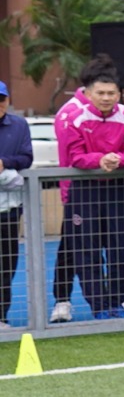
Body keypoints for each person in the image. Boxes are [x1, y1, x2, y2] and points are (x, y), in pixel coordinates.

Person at [53, 59, 124, 320]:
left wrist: (119, 160)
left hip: (116, 189)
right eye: (100, 93)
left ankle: (118, 300)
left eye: (111, 93)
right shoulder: (72, 116)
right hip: (83, 191)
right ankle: (98, 306)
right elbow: (76, 156)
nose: (106, 98)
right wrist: (99, 160)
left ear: (119, 93)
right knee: (84, 251)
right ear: (88, 93)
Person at [0, 80, 33, 328]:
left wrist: (4, 162)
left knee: (6, 262)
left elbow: (26, 158)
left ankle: (1, 314)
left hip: (9, 207)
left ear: (8, 100)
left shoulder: (19, 125)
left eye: (1, 99)